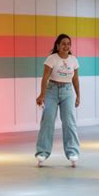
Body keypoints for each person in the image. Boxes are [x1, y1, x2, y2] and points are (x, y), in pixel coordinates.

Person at [35, 34, 81, 168]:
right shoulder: (51, 59)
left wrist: (78, 96)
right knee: (48, 120)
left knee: (69, 122)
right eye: (63, 44)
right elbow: (45, 78)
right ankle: (42, 152)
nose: (66, 46)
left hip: (67, 92)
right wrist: (42, 95)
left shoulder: (74, 60)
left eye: (68, 44)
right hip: (52, 91)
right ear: (58, 46)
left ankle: (72, 152)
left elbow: (75, 80)